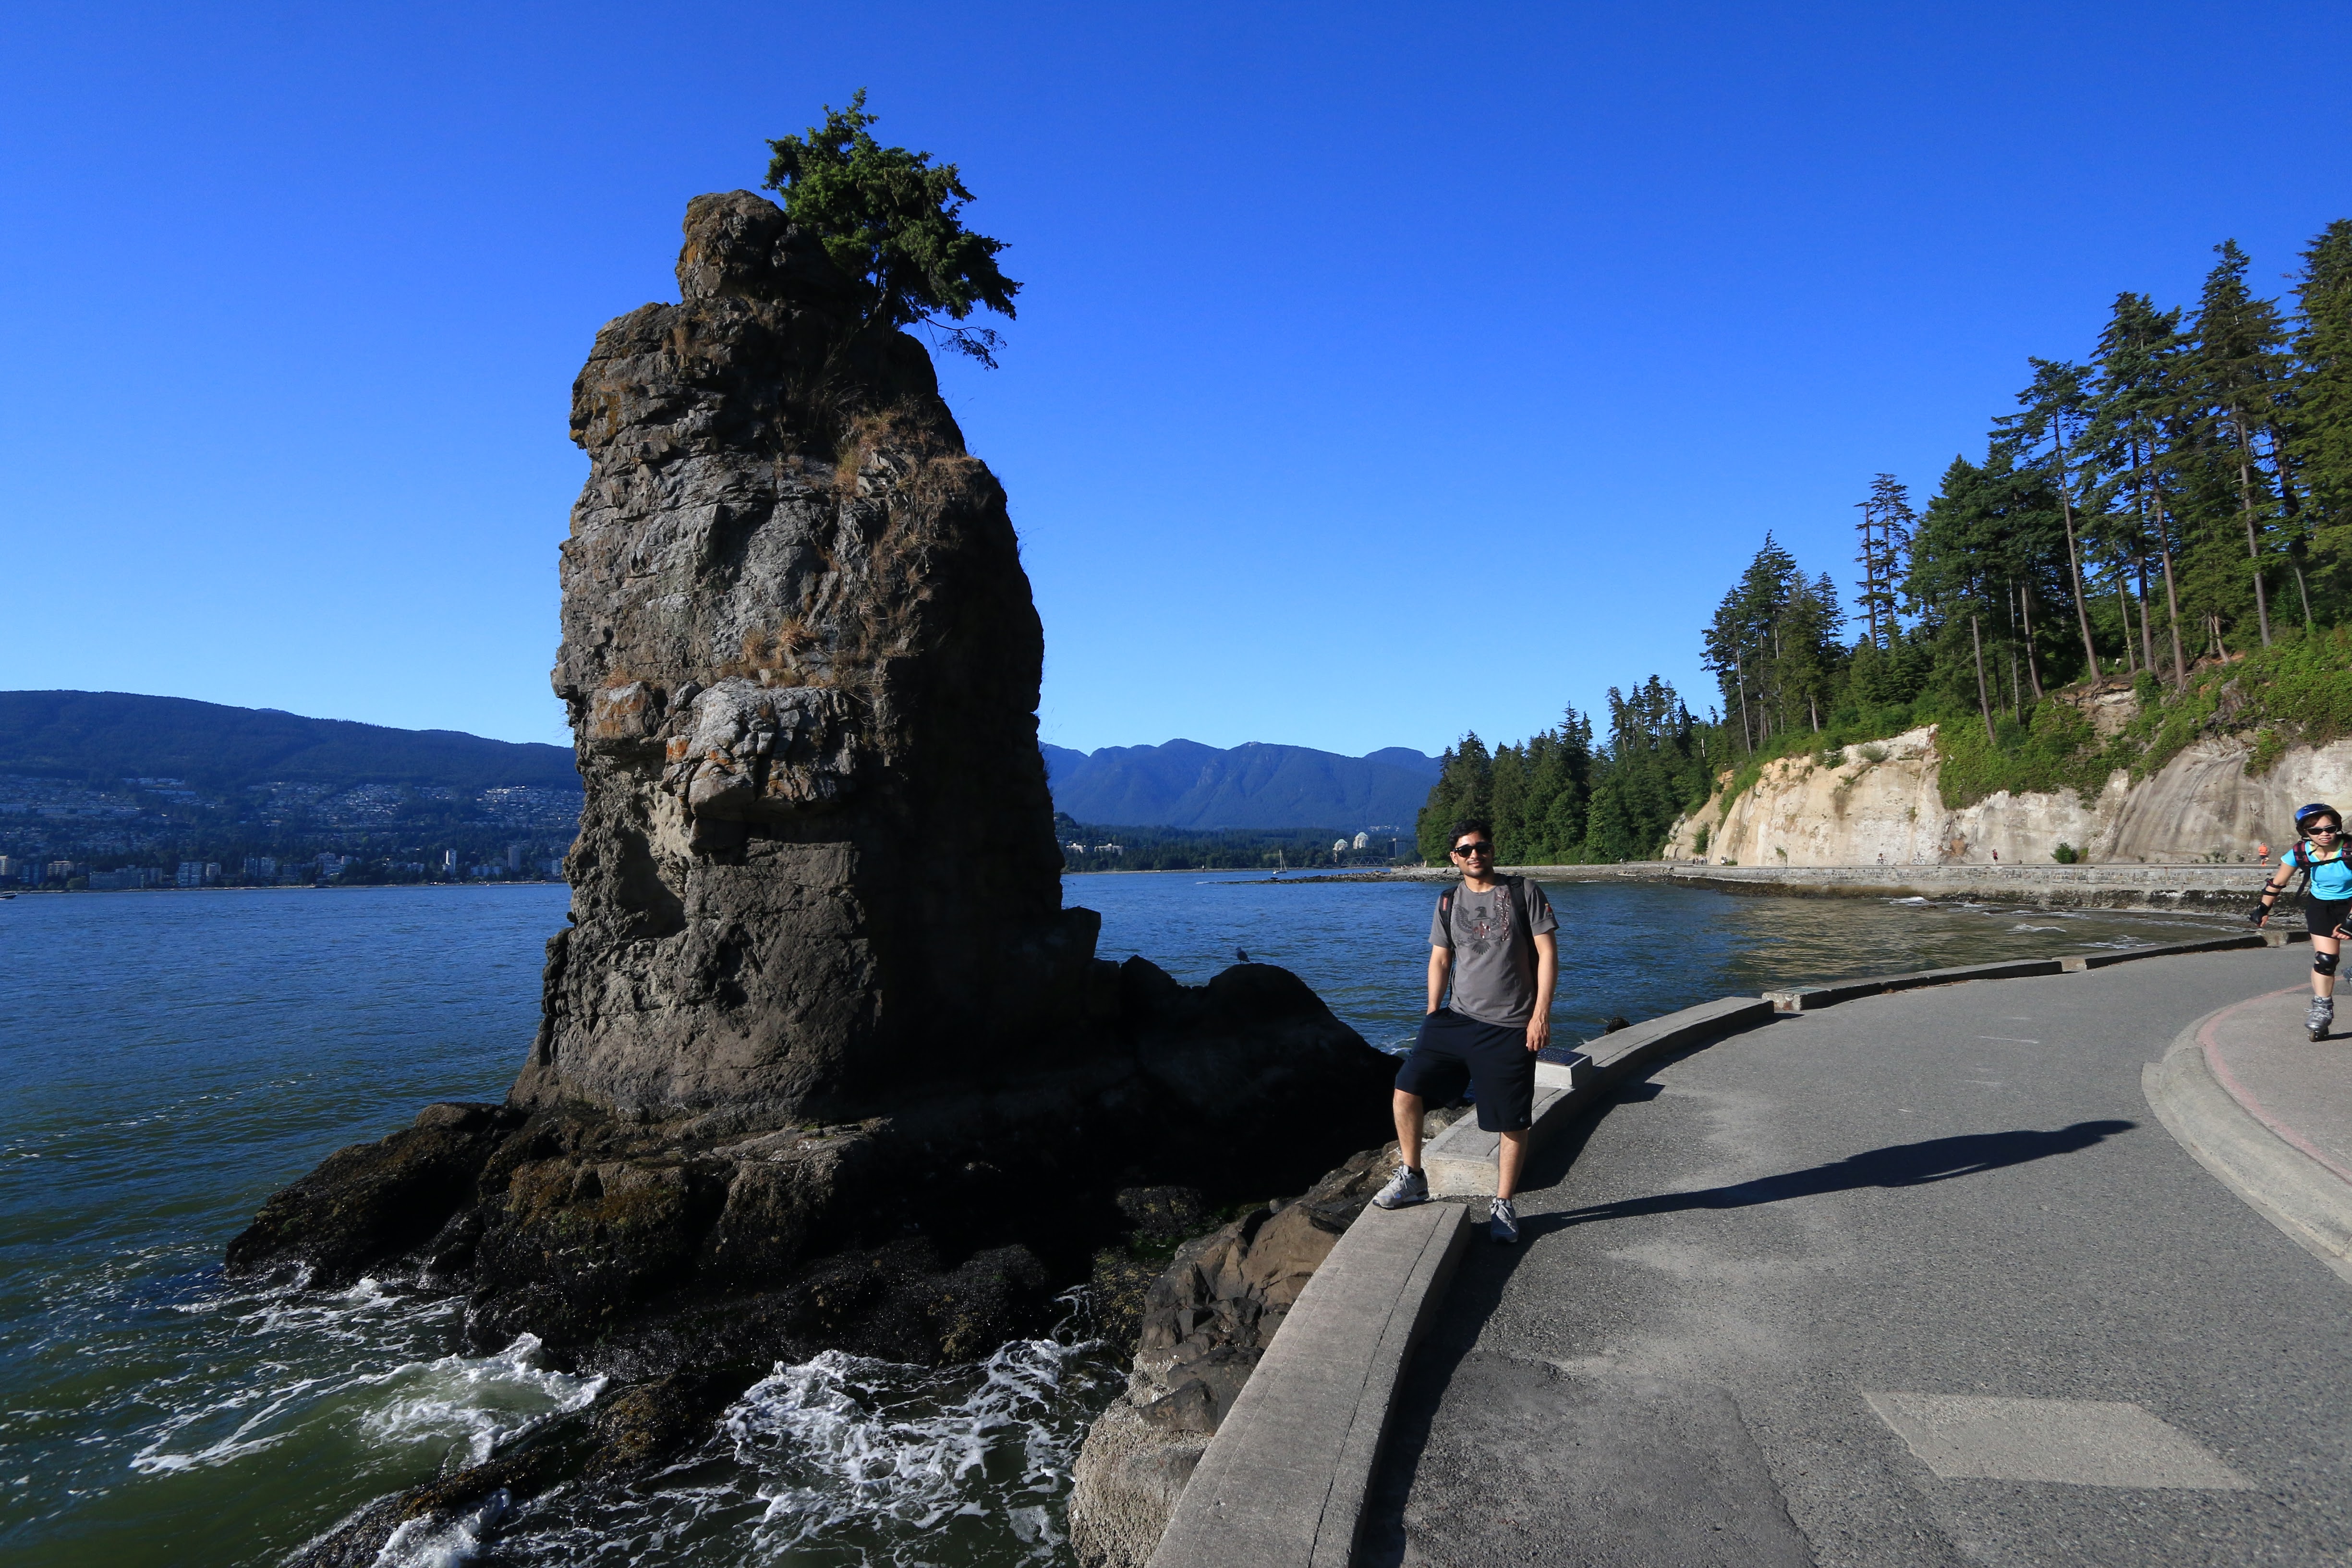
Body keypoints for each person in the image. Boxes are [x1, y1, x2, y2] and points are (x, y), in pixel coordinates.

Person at [1372, 819, 1559, 1242]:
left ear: (1492, 851)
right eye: (1465, 849)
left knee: (1511, 1120)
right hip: (1455, 1019)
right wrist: (1432, 1013)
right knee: (1406, 1089)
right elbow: (1440, 960)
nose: (1475, 854)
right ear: (1454, 858)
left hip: (1511, 1025)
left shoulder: (1523, 892)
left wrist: (1540, 1015)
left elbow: (1548, 954)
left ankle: (1504, 1203)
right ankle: (1413, 1175)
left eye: (1482, 846)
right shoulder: (1447, 901)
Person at [2250, 802, 2352, 1040]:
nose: (2324, 834)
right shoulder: (2299, 853)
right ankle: (2322, 1009)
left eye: (2330, 828)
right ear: (2305, 833)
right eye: (2315, 830)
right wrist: (2263, 908)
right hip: (2322, 907)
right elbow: (2277, 883)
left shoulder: (2350, 848)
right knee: (2326, 960)